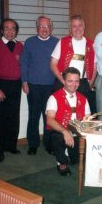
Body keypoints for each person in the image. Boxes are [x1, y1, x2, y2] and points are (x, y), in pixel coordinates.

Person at [21, 16, 58, 155]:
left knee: (49, 116)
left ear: (51, 28)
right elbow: (24, 62)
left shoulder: (56, 42)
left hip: (51, 86)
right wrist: (24, 81)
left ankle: (49, 144)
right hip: (33, 85)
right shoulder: (30, 42)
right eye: (41, 26)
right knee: (33, 116)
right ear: (37, 28)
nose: (44, 29)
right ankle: (33, 144)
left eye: (47, 26)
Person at [0, 19, 23, 162]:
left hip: (16, 84)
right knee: (1, 118)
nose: (10, 31)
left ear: (16, 31)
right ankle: (0, 149)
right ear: (2, 30)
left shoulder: (20, 46)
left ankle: (11, 145)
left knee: (14, 116)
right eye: (7, 28)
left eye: (13, 28)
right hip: (1, 85)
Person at [46, 67, 91, 176]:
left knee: (77, 160)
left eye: (76, 81)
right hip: (59, 133)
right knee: (57, 137)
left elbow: (87, 119)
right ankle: (61, 162)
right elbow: (49, 120)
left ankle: (69, 155)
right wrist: (65, 131)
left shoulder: (83, 99)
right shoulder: (54, 97)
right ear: (64, 81)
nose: (73, 84)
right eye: (70, 81)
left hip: (77, 134)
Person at [50, 15, 96, 113]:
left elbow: (95, 66)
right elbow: (53, 64)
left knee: (82, 113)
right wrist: (62, 80)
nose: (77, 29)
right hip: (63, 82)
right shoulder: (62, 42)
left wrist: (90, 83)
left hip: (82, 83)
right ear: (70, 29)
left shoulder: (91, 44)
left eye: (80, 25)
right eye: (74, 26)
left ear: (84, 27)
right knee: (61, 112)